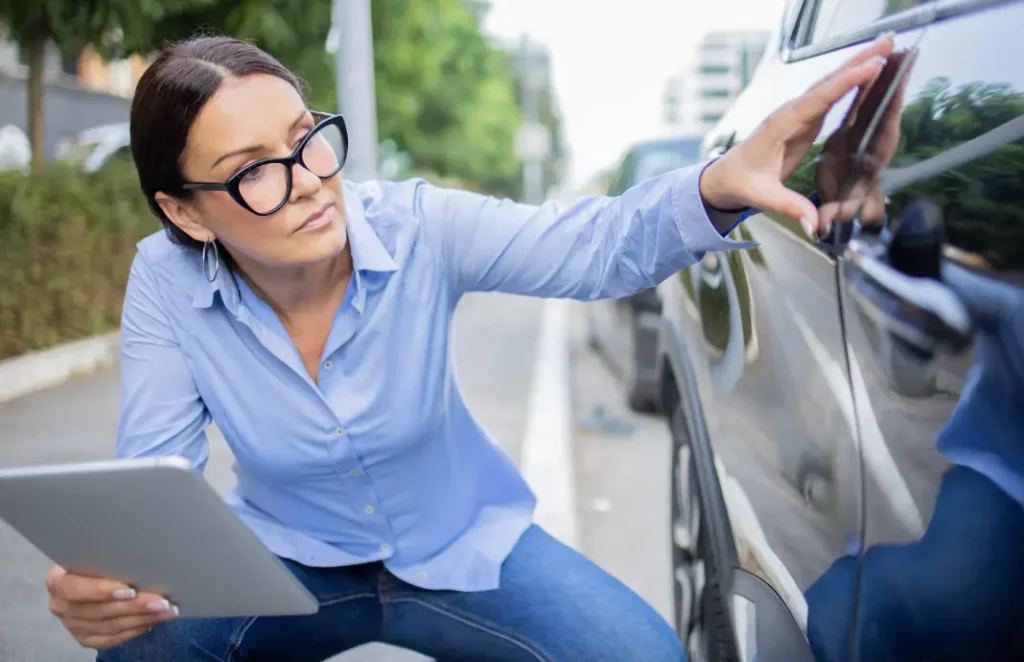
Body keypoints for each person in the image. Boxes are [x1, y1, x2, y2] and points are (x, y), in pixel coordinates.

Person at [42, 32, 895, 661]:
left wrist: (716, 185)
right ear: (185, 211)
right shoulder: (164, 280)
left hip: (465, 548)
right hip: (286, 562)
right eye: (255, 169)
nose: (309, 180)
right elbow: (156, 480)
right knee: (138, 651)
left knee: (644, 656)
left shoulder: (416, 225)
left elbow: (592, 247)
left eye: (306, 137)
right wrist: (113, 588)